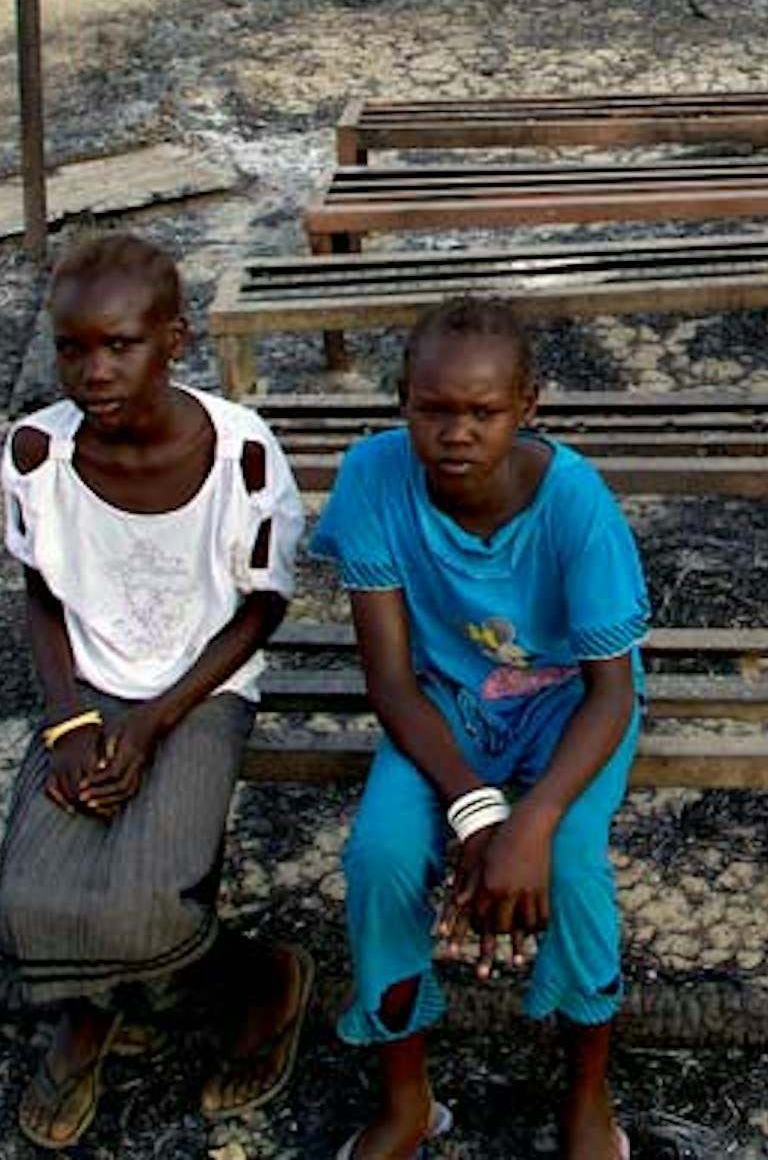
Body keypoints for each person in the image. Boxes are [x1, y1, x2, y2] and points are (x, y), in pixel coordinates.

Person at [0, 233, 316, 1149]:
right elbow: (43, 592)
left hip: (200, 690)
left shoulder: (237, 456)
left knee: (146, 909)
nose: (93, 370)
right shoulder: (35, 454)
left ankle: (262, 979)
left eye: (120, 344)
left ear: (174, 339)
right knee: (22, 909)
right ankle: (93, 1008)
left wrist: (150, 722)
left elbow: (261, 610)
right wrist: (70, 721)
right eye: (72, 347)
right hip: (89, 689)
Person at [310, 296, 649, 1160]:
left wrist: (528, 821)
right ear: (402, 400)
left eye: (483, 412)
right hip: (445, 704)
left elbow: (611, 692)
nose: (455, 432)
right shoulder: (375, 478)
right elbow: (389, 676)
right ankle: (406, 1099)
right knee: (380, 856)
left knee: (568, 861)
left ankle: (585, 1094)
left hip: (569, 706)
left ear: (528, 406)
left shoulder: (576, 504)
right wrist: (475, 808)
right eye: (433, 409)